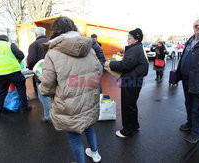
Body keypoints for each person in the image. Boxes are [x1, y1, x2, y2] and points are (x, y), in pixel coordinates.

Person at [39, 17, 102, 163]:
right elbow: (98, 72)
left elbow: (47, 83)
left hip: (68, 102)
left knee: (74, 137)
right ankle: (95, 154)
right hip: (88, 97)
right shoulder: (90, 49)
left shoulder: (53, 53)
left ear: (56, 30)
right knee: (88, 126)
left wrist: (44, 90)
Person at [105, 28, 148, 138]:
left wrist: (111, 64)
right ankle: (134, 125)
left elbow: (125, 65)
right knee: (132, 104)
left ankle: (127, 130)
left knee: (127, 105)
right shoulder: (138, 48)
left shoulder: (134, 49)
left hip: (131, 80)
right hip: (135, 79)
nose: (127, 40)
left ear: (136, 39)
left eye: (129, 38)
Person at [0, 35, 31, 118]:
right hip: (14, 72)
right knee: (21, 89)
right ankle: (24, 108)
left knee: (1, 93)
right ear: (6, 39)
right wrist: (16, 61)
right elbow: (21, 55)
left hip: (0, 73)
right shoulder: (9, 44)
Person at [27, 27, 50, 122]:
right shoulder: (52, 42)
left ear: (36, 34)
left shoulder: (34, 44)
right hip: (54, 73)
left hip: (41, 75)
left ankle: (48, 116)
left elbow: (31, 60)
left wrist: (34, 69)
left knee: (43, 96)